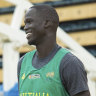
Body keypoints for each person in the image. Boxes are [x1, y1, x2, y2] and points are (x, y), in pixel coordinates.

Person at [17, 4, 90, 96]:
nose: (25, 27)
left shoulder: (69, 63)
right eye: (25, 23)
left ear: (46, 23)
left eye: (29, 22)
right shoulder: (22, 63)